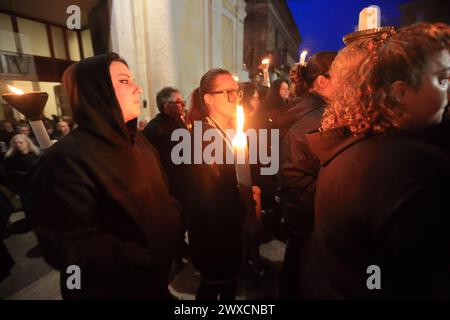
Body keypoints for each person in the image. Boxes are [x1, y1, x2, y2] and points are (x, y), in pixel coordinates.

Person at [299, 22, 450, 299]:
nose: (448, 93)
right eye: (442, 79)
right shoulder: (411, 169)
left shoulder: (344, 148)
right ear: (398, 89)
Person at [29, 53, 181, 299]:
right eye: (124, 81)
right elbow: (73, 248)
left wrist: (172, 222)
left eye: (132, 79)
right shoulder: (64, 161)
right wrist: (149, 257)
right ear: (96, 92)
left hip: (155, 285)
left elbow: (165, 191)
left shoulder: (139, 141)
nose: (137, 88)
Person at [186, 68, 252, 300]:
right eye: (229, 93)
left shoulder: (224, 132)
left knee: (223, 285)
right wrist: (243, 202)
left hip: (226, 231)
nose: (236, 98)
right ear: (209, 99)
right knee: (217, 287)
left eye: (238, 92)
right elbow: (208, 200)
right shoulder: (204, 138)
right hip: (215, 238)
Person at [279, 51, 337, 299]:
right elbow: (298, 181)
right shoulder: (317, 121)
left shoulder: (315, 113)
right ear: (322, 81)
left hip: (305, 226)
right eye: (343, 77)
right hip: (312, 226)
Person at [142, 87, 190, 274]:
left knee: (184, 218)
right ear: (166, 106)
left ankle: (182, 247)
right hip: (168, 185)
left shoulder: (179, 121)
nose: (183, 104)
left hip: (184, 181)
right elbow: (148, 159)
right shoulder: (154, 129)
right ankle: (174, 257)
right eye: (179, 102)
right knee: (174, 222)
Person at [4, 134, 40, 221]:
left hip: (37, 183)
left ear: (27, 143)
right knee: (28, 205)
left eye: (21, 142)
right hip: (23, 185)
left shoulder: (35, 154)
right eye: (16, 143)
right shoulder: (11, 157)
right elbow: (9, 173)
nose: (18, 145)